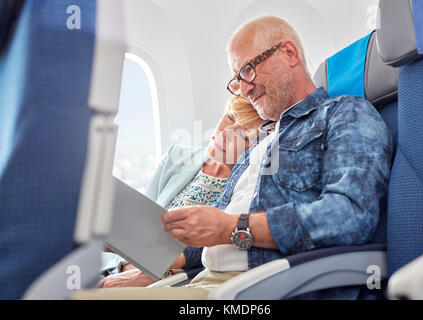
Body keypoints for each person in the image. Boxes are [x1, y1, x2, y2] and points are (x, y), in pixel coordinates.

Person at [73, 15, 392, 300]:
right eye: (236, 80)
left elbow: (349, 217)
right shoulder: (259, 145)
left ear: (289, 54)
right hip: (205, 282)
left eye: (248, 70)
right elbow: (210, 239)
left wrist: (230, 227)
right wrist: (136, 244)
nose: (243, 89)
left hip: (263, 285)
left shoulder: (344, 114)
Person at [98, 95, 265, 288]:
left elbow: (213, 257)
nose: (225, 133)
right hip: (123, 265)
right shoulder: (176, 157)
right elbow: (138, 223)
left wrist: (159, 274)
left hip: (173, 279)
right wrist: (122, 264)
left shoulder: (244, 189)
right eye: (230, 117)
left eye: (243, 135)